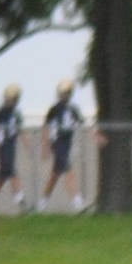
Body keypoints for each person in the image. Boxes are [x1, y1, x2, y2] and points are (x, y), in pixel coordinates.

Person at [42, 80, 85, 212]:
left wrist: (95, 133)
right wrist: (46, 145)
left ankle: (42, 202)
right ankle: (78, 202)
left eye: (66, 94)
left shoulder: (73, 109)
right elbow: (45, 127)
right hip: (57, 142)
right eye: (62, 93)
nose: (63, 96)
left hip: (67, 144)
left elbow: (82, 122)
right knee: (69, 172)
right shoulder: (54, 109)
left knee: (54, 175)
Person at [0, 84, 25, 213]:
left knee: (2, 177)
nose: (10, 101)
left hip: (11, 145)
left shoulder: (16, 114)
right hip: (3, 146)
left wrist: (26, 141)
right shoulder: (1, 113)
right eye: (9, 98)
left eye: (12, 99)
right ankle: (20, 199)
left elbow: (20, 130)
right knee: (11, 171)